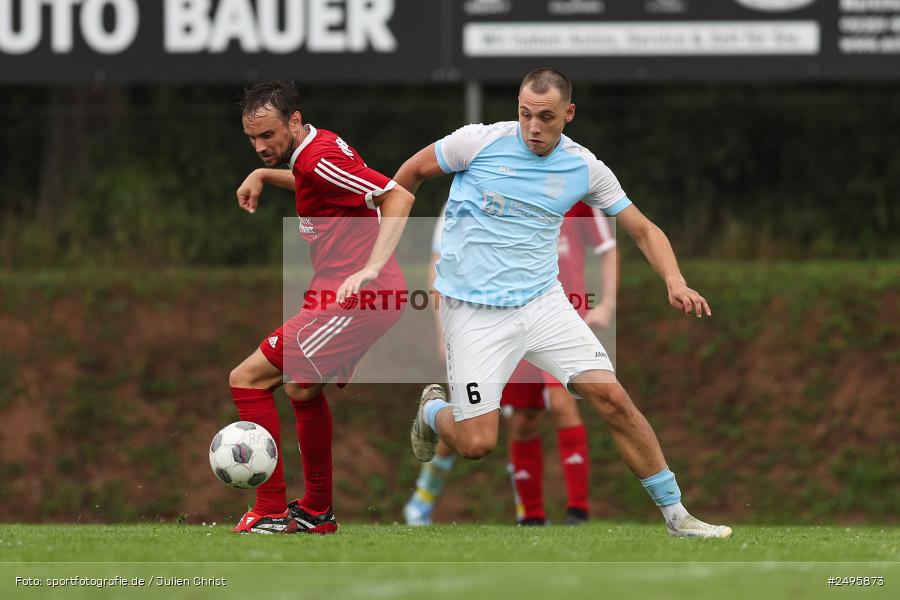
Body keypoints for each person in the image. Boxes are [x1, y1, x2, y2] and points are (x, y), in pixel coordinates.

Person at [396, 68, 732, 538]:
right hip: (473, 310)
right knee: (476, 444)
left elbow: (642, 229)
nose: (532, 127)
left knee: (612, 397)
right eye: (525, 114)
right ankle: (433, 409)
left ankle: (678, 517)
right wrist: (383, 239)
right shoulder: (476, 142)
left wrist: (674, 280)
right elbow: (409, 174)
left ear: (568, 114)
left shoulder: (584, 167)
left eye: (546, 117)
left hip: (543, 303)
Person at [228, 80, 413, 534]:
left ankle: (270, 510)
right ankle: (316, 512)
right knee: (301, 390)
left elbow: (398, 196)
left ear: (294, 120)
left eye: (267, 135)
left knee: (247, 379)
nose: (259, 146)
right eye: (252, 139)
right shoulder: (313, 152)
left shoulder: (319, 157)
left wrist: (372, 266)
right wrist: (264, 175)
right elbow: (319, 182)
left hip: (358, 297)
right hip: (340, 292)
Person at [404, 203, 618, 526]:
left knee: (563, 402)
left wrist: (607, 304)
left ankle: (576, 514)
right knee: (489, 426)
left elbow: (609, 246)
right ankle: (424, 495)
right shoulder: (467, 195)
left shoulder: (571, 184)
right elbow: (438, 264)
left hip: (553, 321)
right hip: (491, 323)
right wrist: (443, 329)